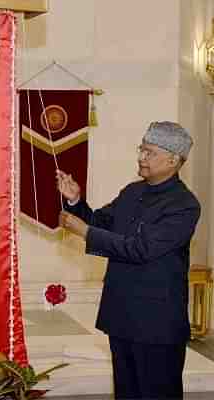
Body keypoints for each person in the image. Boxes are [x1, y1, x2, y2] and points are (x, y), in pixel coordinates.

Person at [56, 121, 200, 399]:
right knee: (126, 393)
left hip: (157, 326)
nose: (141, 158)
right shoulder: (132, 192)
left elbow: (141, 249)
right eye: (141, 150)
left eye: (149, 153)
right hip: (121, 317)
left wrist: (86, 232)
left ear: (173, 160)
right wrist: (75, 202)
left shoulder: (184, 204)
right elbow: (101, 223)